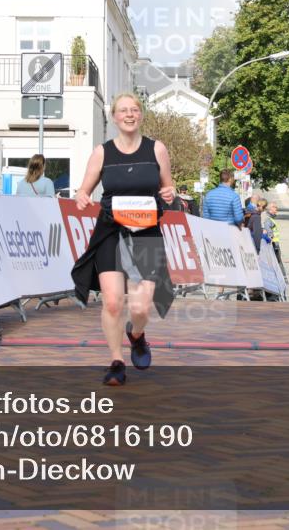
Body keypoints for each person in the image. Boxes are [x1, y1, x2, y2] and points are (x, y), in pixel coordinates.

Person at [70, 92, 175, 386]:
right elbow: (84, 190)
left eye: (134, 110)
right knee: (113, 302)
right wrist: (81, 197)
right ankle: (116, 361)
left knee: (141, 307)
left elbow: (169, 189)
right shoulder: (102, 152)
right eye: (123, 111)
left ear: (140, 115)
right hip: (111, 230)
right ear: (114, 117)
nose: (129, 115)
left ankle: (137, 335)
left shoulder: (157, 149)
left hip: (146, 231)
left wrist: (170, 194)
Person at [263, 202, 286, 279]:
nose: (277, 209)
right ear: (271, 208)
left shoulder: (270, 218)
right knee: (277, 261)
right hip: (273, 244)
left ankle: (281, 276)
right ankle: (282, 277)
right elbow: (268, 231)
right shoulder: (268, 219)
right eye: (275, 207)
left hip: (274, 243)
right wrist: (271, 239)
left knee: (277, 261)